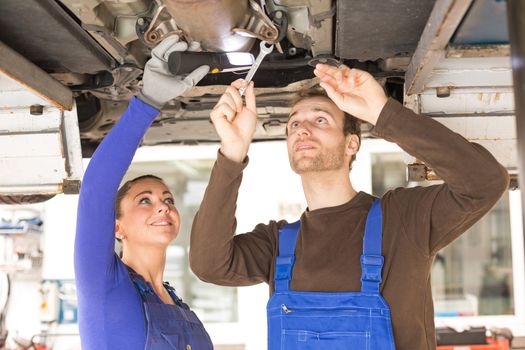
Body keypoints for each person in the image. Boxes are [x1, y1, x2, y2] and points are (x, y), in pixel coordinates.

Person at [189, 65, 509, 349]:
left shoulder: (403, 220)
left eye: (319, 119)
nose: (302, 129)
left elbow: (484, 183)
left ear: (351, 144)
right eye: (294, 124)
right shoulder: (278, 244)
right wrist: (232, 152)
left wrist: (383, 112)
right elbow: (209, 264)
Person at [74, 35, 212, 350]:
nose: (163, 207)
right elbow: (96, 190)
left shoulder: (178, 305)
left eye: (167, 200)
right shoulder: (104, 285)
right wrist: (147, 102)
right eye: (145, 201)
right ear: (117, 227)